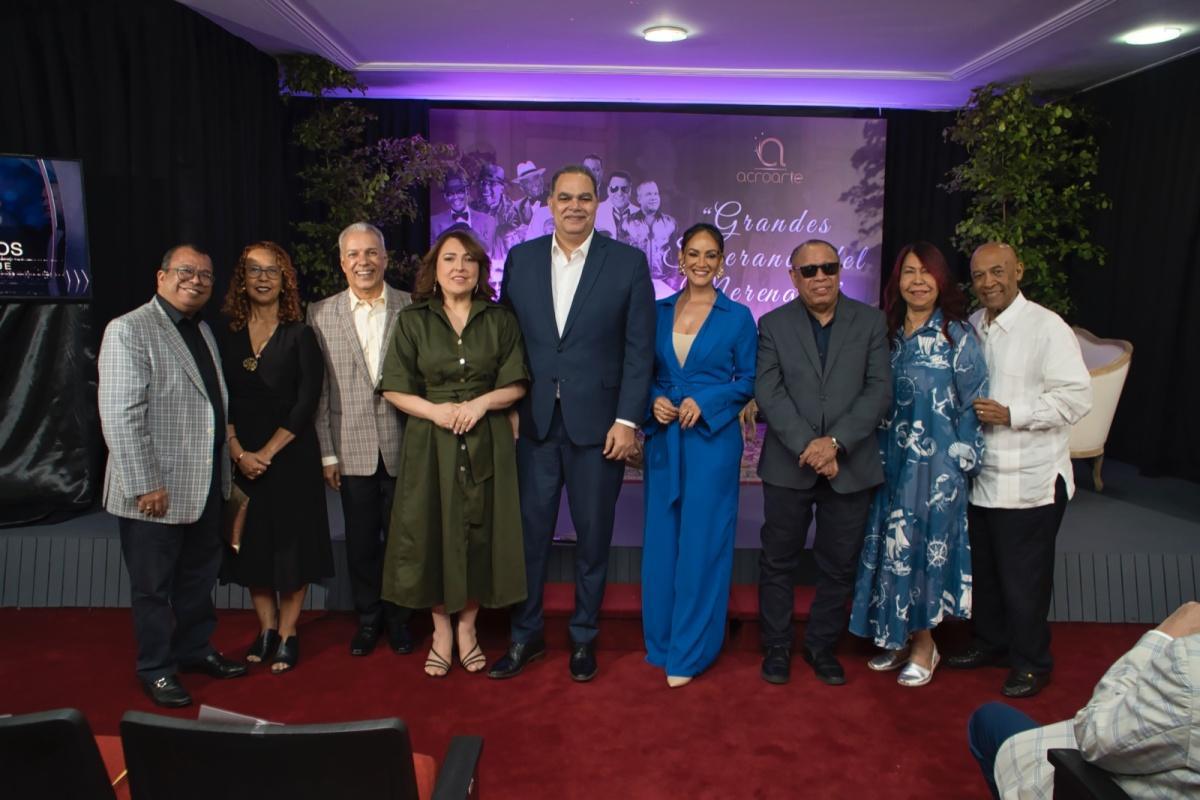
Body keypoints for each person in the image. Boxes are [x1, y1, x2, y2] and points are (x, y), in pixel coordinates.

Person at [490, 165, 655, 682]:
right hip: (535, 426)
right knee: (529, 539)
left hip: (600, 427)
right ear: (550, 202)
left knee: (592, 539)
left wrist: (627, 419)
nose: (575, 206)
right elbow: (508, 342)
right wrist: (511, 406)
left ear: (599, 202)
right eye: (565, 197)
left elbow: (638, 350)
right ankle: (527, 636)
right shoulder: (520, 260)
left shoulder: (627, 263)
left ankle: (584, 637)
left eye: (585, 198)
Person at [98, 244, 247, 708]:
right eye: (185, 271)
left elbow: (210, 410)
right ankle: (157, 669)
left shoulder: (200, 330)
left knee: (197, 581)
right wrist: (145, 484)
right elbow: (120, 415)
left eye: (205, 274)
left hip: (202, 487)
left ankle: (195, 650)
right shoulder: (129, 330)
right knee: (153, 588)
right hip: (154, 492)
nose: (196, 280)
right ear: (160, 277)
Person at [378, 230, 529, 677]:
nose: (459, 267)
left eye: (468, 259)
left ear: (481, 269)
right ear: (434, 269)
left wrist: (481, 404)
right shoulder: (412, 320)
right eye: (449, 259)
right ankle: (441, 630)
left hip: (488, 436)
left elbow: (517, 382)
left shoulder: (500, 320)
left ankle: (469, 628)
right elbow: (394, 387)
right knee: (434, 531)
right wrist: (439, 413)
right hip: (431, 440)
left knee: (482, 531)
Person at [945, 242, 1092, 698]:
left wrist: (1013, 412)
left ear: (1018, 271)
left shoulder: (1047, 328)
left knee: (1024, 579)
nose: (988, 282)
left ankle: (1031, 662)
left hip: (1030, 480)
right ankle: (990, 643)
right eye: (980, 275)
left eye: (998, 272)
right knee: (985, 571)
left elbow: (1076, 398)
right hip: (982, 476)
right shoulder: (971, 326)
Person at [848, 242, 988, 686]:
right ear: (897, 282)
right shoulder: (883, 333)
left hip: (937, 469)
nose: (918, 281)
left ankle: (927, 645)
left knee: (924, 551)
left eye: (926, 273)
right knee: (891, 547)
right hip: (886, 460)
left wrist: (965, 459)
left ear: (940, 280)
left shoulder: (957, 335)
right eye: (909, 272)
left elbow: (974, 404)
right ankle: (896, 636)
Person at [755, 239, 891, 686]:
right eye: (809, 270)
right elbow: (769, 393)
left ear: (840, 271)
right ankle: (776, 647)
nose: (820, 277)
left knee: (839, 565)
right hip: (788, 464)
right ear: (793, 276)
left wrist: (835, 444)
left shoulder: (871, 322)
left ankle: (820, 646)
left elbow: (878, 392)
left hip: (849, 465)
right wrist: (810, 448)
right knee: (778, 562)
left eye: (828, 268)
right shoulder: (772, 324)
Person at [642, 223, 757, 687]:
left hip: (711, 441)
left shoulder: (738, 315)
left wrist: (704, 402)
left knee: (702, 544)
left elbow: (748, 381)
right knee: (662, 543)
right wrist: (653, 398)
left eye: (712, 255)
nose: (702, 262)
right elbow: (643, 370)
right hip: (664, 439)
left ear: (723, 261)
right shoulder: (657, 311)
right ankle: (664, 642)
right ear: (681, 257)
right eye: (694, 254)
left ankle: (691, 651)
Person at [216, 241, 334, 674]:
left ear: (285, 281)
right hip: (241, 458)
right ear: (241, 279)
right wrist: (237, 451)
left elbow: (307, 403)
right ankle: (264, 629)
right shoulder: (226, 334)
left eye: (273, 271)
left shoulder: (301, 334)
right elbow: (220, 398)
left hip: (290, 457)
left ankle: (288, 633)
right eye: (254, 270)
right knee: (251, 547)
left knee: (291, 547)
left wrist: (264, 453)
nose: (263, 278)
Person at [307, 222, 414, 656]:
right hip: (349, 450)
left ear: (385, 259)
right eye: (354, 254)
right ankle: (369, 620)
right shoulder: (320, 313)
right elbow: (319, 393)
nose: (363, 262)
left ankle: (402, 620)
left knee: (405, 541)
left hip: (404, 446)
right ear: (342, 262)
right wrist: (327, 453)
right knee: (362, 542)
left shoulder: (412, 308)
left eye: (372, 253)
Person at [968, 600, 1200, 799]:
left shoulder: (1188, 667)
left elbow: (1092, 733)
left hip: (1110, 777)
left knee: (989, 720)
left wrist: (1163, 635)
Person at [625, 181, 678, 287]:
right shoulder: (627, 223)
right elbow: (620, 258)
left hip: (664, 283)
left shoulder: (671, 223)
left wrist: (673, 280)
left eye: (656, 194)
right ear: (639, 199)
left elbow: (678, 254)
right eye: (649, 194)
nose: (654, 197)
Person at [431, 174, 497, 252]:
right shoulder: (434, 222)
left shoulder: (488, 221)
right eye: (450, 194)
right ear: (445, 197)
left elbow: (487, 252)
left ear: (467, 192)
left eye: (459, 192)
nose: (455, 197)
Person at [471, 163, 520, 230]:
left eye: (492, 184)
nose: (486, 189)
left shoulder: (513, 211)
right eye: (483, 183)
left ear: (502, 187)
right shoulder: (472, 208)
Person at [594, 170, 639, 242]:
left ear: (630, 190)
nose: (619, 193)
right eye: (614, 188)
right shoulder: (594, 211)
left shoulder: (640, 214)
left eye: (624, 189)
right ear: (608, 190)